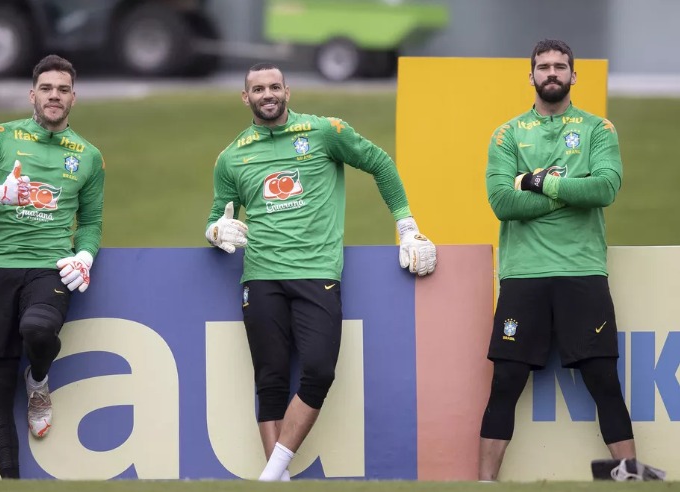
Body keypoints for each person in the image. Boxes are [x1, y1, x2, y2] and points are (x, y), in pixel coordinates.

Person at [204, 62, 437, 481]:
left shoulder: (325, 131)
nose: (268, 94)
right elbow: (216, 216)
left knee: (319, 371)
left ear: (288, 92)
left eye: (275, 86)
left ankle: (271, 475)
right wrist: (216, 230)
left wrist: (406, 226)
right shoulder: (231, 156)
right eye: (258, 89)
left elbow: (380, 164)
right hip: (260, 276)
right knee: (270, 380)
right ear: (246, 98)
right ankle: (280, 480)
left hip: (317, 272)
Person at [479, 39, 664, 482]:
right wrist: (568, 190)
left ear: (573, 75)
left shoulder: (598, 129)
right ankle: (482, 484)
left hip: (582, 271)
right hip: (524, 275)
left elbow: (603, 189)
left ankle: (629, 475)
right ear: (531, 76)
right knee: (505, 382)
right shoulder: (506, 134)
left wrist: (538, 183)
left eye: (560, 66)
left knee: (603, 380)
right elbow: (502, 202)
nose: (552, 73)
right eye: (543, 66)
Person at [0, 54, 105, 479]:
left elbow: (92, 223)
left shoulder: (89, 156)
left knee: (38, 330)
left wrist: (85, 255)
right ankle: (11, 483)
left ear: (73, 97)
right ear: (32, 94)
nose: (54, 96)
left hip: (48, 268)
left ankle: (38, 380)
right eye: (46, 88)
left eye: (62, 89)